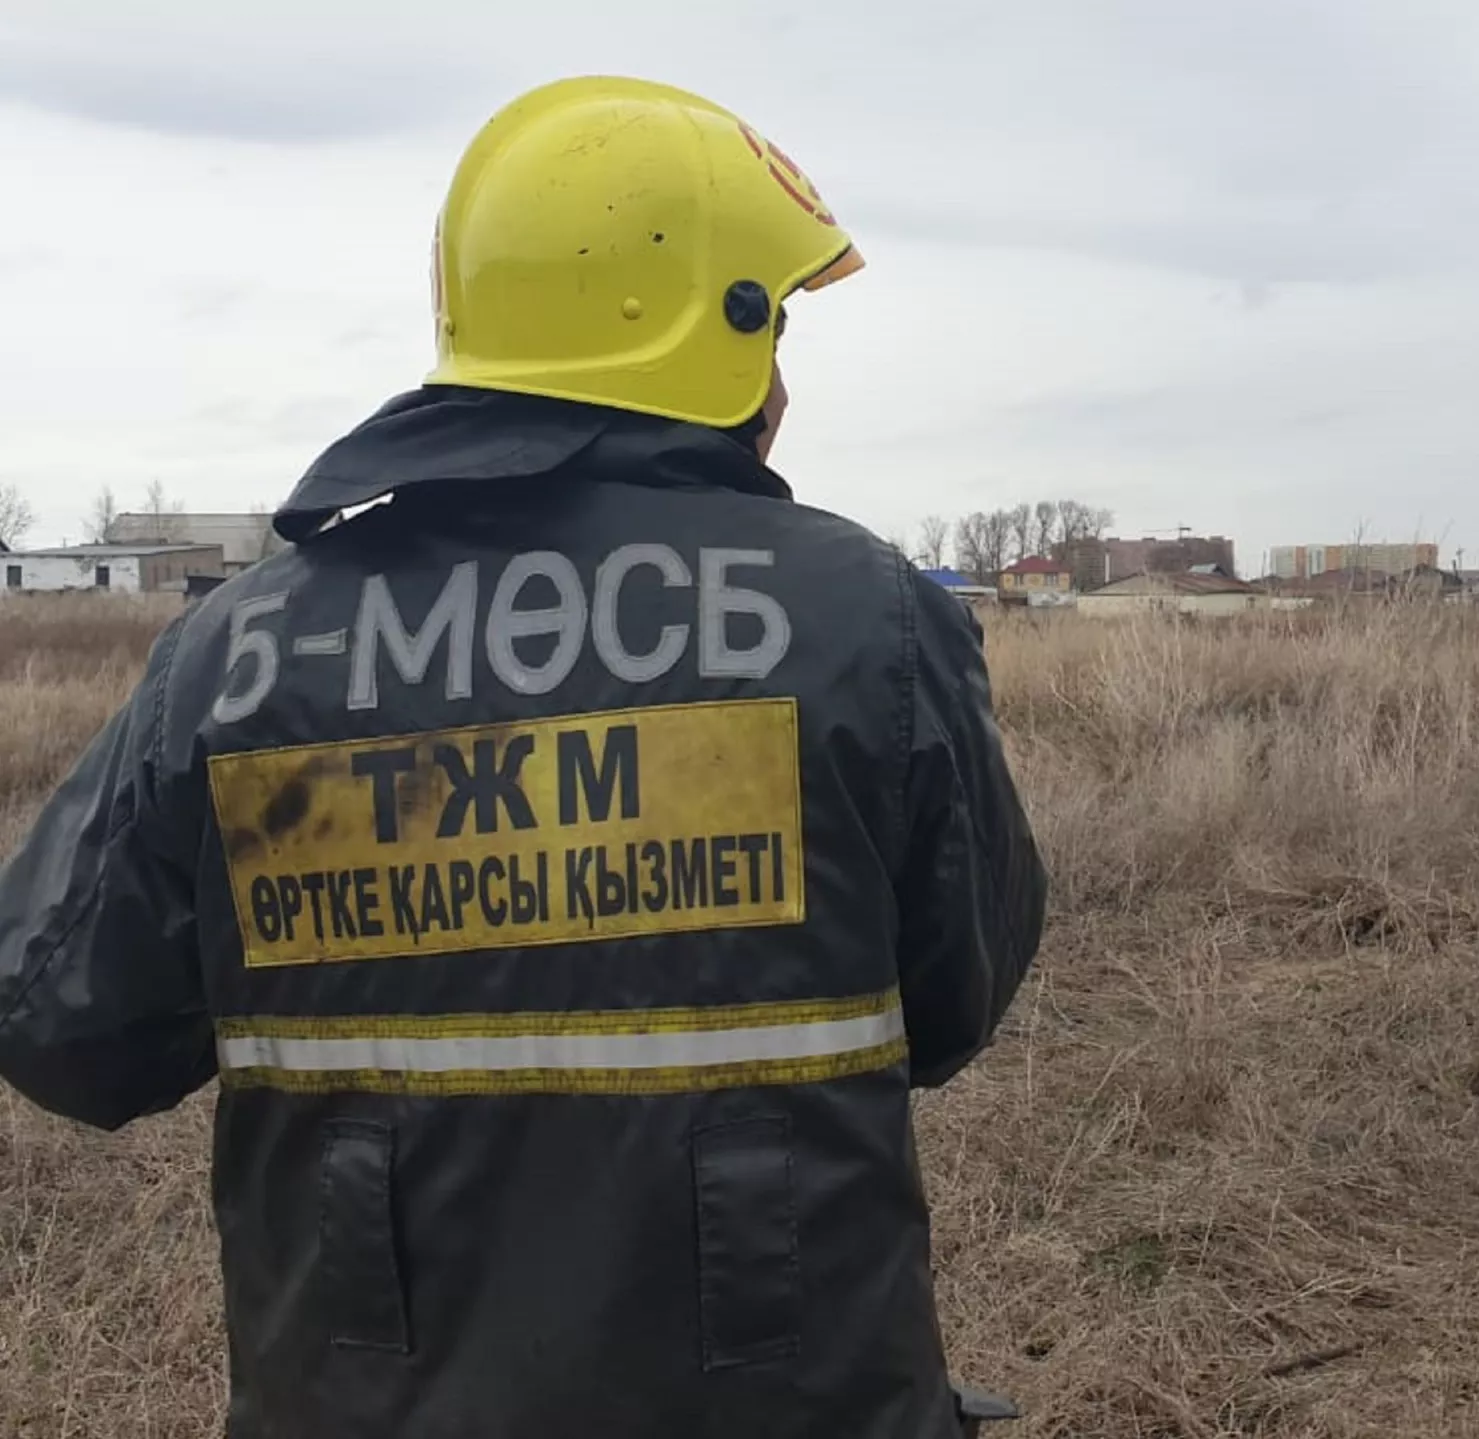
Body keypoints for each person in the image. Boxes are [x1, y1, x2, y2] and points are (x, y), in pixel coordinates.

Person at [0, 75, 1046, 1439]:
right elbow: (955, 1000)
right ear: (714, 334)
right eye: (775, 326)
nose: (785, 381)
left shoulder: (235, 653)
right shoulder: (870, 623)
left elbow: (63, 1033)